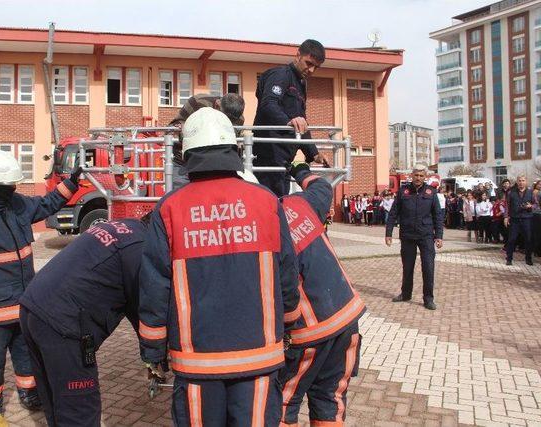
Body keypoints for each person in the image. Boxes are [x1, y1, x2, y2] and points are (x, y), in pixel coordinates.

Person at [138, 107, 299, 425]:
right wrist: (290, 324)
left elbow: (155, 285)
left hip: (197, 363)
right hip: (259, 356)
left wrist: (153, 350)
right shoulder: (266, 201)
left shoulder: (169, 209)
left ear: (186, 155)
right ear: (235, 149)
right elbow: (287, 273)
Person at [0, 150, 81, 426]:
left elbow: (47, 204)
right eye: (5, 186)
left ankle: (30, 395)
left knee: (27, 356)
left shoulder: (17, 205)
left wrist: (71, 183)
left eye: (12, 185)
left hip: (23, 306)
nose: (10, 190)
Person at [19, 217, 147, 426]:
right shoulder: (139, 246)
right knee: (79, 411)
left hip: (32, 307)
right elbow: (141, 305)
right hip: (62, 324)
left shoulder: (123, 227)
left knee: (56, 403)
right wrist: (154, 352)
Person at [279, 162, 366, 426]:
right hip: (348, 319)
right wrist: (301, 170)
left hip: (309, 331)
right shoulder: (299, 204)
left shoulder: (262, 224)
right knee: (331, 398)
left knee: (284, 400)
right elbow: (321, 186)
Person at [253, 39, 330, 196]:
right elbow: (268, 104)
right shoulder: (280, 75)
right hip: (268, 158)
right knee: (271, 205)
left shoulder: (301, 85)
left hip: (284, 160)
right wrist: (288, 121)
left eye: (316, 67)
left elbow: (302, 122)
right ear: (298, 55)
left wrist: (314, 153)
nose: (312, 70)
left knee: (280, 204)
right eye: (309, 63)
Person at [385, 164, 443, 310]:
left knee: (428, 268)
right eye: (416, 175)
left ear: (425, 177)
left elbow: (438, 215)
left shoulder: (431, 192)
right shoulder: (403, 191)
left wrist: (439, 236)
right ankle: (405, 294)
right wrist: (388, 233)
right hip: (408, 235)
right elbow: (393, 213)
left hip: (426, 236)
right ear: (412, 175)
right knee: (408, 267)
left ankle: (428, 299)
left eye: (421, 176)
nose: (418, 178)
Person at [167, 93, 245, 189]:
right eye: (224, 116)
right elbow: (171, 128)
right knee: (180, 199)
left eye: (231, 119)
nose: (226, 120)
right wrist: (180, 129)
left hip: (217, 169)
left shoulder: (238, 119)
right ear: (217, 104)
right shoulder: (198, 102)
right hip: (184, 164)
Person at [505, 175, 535, 266]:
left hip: (527, 219)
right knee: (511, 239)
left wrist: (531, 206)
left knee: (528, 240)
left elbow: (536, 204)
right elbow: (507, 205)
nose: (521, 182)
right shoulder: (511, 193)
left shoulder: (531, 193)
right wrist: (506, 217)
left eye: (523, 180)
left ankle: (528, 258)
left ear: (526, 181)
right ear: (517, 182)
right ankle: (509, 258)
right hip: (515, 219)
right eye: (519, 180)